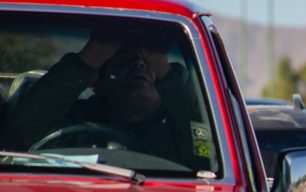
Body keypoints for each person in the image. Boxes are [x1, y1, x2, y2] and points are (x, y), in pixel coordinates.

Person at [2, 27, 208, 169]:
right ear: (97, 84)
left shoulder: (183, 124)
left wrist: (165, 70)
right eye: (124, 61)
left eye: (148, 63)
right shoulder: (74, 118)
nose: (139, 65)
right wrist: (90, 58)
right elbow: (17, 139)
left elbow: (208, 155)